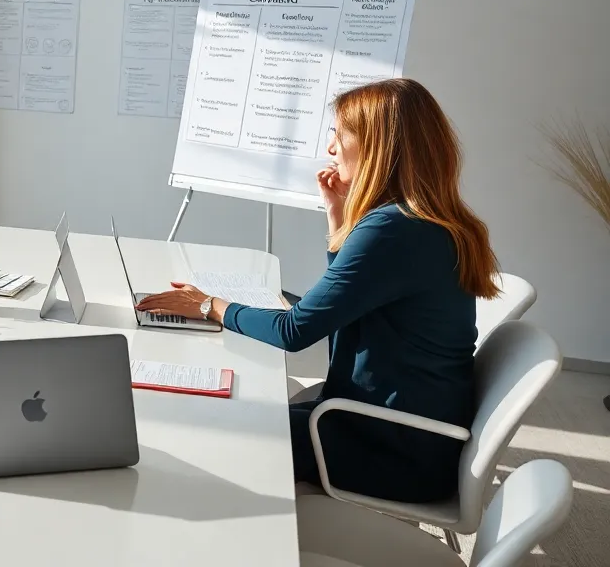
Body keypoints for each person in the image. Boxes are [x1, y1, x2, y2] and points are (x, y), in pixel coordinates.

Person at [137, 78, 498, 503]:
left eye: (339, 136)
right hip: (409, 435)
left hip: (392, 450)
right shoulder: (428, 220)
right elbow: (348, 305)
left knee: (218, 430)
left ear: (377, 148)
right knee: (237, 414)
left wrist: (207, 305)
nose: (330, 148)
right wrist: (338, 219)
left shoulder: (392, 230)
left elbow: (294, 331)